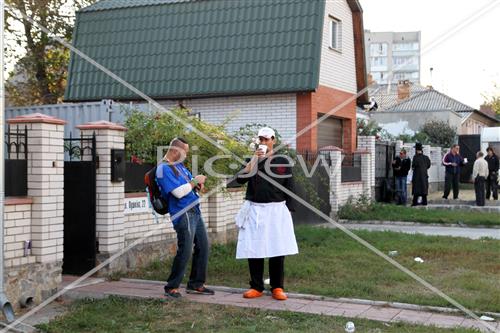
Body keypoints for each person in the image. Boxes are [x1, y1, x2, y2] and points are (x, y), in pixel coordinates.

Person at [235, 127, 298, 301]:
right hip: (255, 209)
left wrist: (289, 210)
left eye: (266, 139)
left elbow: (290, 186)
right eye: (260, 140)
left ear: (273, 141)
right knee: (254, 248)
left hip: (276, 210)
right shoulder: (252, 160)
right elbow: (240, 179)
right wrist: (255, 158)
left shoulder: (282, 162)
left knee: (277, 249)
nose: (263, 143)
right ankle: (256, 286)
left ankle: (277, 287)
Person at [156, 137, 214, 298]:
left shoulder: (179, 166)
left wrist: (197, 185)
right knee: (186, 250)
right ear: (176, 150)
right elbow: (178, 192)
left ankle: (196, 284)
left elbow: (189, 187)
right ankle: (171, 287)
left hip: (194, 210)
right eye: (185, 152)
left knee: (203, 247)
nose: (186, 156)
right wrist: (195, 181)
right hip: (182, 213)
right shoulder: (163, 169)